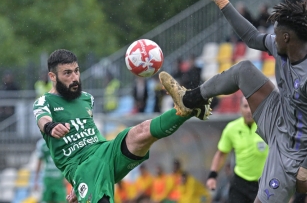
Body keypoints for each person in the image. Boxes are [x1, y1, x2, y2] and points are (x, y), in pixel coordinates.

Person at [159, 0, 307, 203]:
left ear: (287, 37)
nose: (271, 36)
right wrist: (221, 0)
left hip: (293, 152)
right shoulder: (283, 46)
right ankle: (190, 100)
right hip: (278, 114)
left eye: (276, 31)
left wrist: (304, 170)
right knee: (244, 69)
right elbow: (252, 37)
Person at [32, 49, 212, 203]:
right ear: (52, 76)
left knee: (141, 131)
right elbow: (42, 119)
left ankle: (188, 107)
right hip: (82, 166)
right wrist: (50, 127)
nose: (75, 78)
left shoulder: (86, 98)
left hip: (104, 151)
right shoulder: (44, 101)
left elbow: (89, 134)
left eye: (76, 71)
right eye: (67, 73)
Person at [206, 96, 268, 203]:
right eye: (245, 106)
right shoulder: (232, 128)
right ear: (240, 108)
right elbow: (221, 153)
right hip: (240, 182)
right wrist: (212, 175)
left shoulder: (266, 126)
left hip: (263, 183)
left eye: (251, 107)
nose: (249, 110)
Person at [33, 138, 67, 203]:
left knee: (61, 200)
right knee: (48, 200)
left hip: (60, 179)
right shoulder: (42, 144)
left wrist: (66, 177)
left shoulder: (62, 141)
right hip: (48, 179)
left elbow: (66, 160)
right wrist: (36, 181)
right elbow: (39, 163)